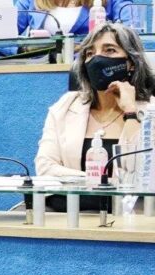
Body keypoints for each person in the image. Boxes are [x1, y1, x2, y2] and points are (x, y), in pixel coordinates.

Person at [35, 22, 155, 210]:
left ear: (130, 63)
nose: (97, 59)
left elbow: (139, 176)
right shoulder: (65, 106)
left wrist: (130, 112)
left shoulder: (151, 112)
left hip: (131, 216)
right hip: (69, 211)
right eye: (90, 53)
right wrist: (98, 181)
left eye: (109, 51)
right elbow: (45, 168)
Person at [16, 0, 133, 36]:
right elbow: (2, 37)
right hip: (40, 71)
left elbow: (131, 33)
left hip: (91, 70)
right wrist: (23, 50)